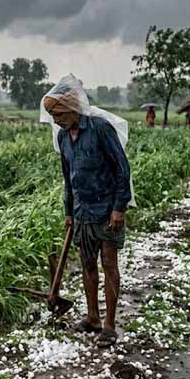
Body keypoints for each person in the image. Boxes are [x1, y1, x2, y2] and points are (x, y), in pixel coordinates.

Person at [41, 75, 132, 348]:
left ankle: (110, 325)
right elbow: (68, 178)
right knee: (88, 265)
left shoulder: (100, 129)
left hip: (106, 210)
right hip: (81, 212)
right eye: (52, 116)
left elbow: (121, 169)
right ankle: (92, 317)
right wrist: (69, 212)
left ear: (72, 107)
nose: (55, 120)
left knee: (109, 264)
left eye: (58, 114)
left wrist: (119, 207)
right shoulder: (63, 137)